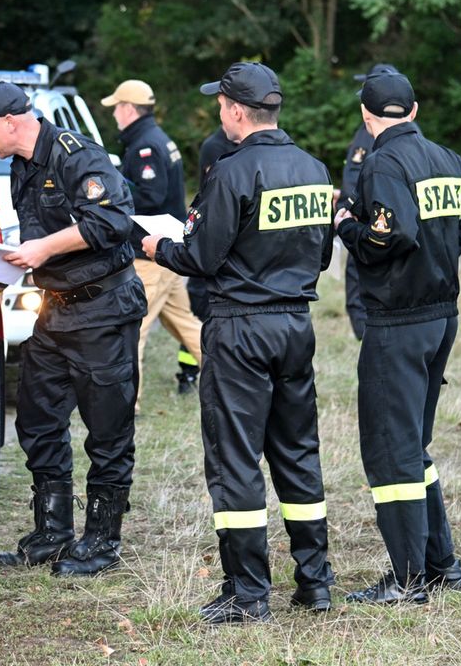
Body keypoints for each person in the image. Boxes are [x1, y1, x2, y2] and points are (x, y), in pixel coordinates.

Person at [141, 62, 336, 624]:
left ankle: (248, 593)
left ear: (234, 110)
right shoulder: (314, 168)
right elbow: (320, 255)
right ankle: (314, 584)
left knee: (234, 459)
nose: (218, 114)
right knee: (297, 453)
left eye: (219, 105)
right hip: (295, 326)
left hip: (239, 328)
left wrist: (158, 248)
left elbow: (201, 257)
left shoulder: (231, 171)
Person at [0, 82, 147, 577]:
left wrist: (43, 250)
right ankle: (51, 534)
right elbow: (35, 235)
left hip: (103, 310)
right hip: (55, 311)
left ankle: (101, 542)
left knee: (107, 430)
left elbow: (112, 219)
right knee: (38, 420)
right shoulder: (23, 166)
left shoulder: (76, 155)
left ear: (13, 122)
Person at [334, 71, 461, 604]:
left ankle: (409, 581)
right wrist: (450, 249)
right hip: (440, 318)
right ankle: (442, 566)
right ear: (412, 110)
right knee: (413, 445)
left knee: (392, 454)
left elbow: (394, 234)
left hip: (399, 323)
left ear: (367, 117)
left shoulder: (383, 163)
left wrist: (346, 225)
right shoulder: (442, 156)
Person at [101, 79, 203, 408]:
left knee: (135, 328)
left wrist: (113, 188)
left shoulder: (145, 145)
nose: (115, 113)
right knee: (187, 326)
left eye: (117, 107)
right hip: (168, 250)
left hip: (151, 254)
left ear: (129, 109)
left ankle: (128, 405)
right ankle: (241, 377)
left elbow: (150, 195)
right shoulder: (154, 138)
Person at [340, 63, 398, 340]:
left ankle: (369, 332)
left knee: (363, 276)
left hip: (371, 225)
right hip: (365, 221)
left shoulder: (384, 133)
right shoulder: (369, 130)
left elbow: (370, 180)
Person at [185, 126, 238, 324]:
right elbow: (217, 195)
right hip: (210, 230)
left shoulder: (252, 144)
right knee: (200, 299)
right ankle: (195, 353)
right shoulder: (214, 146)